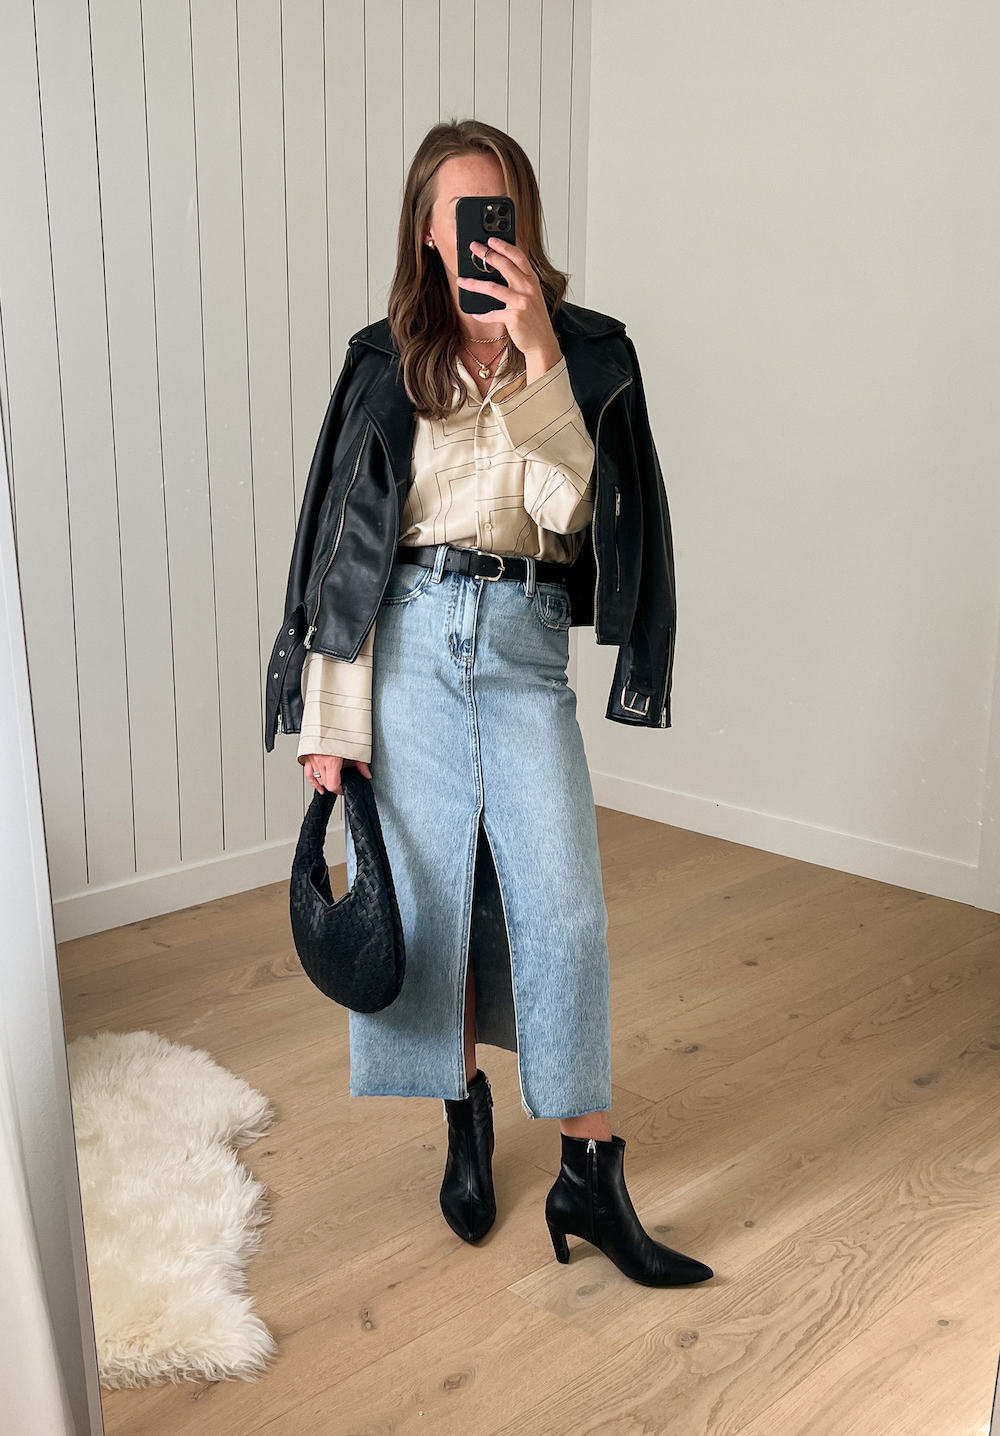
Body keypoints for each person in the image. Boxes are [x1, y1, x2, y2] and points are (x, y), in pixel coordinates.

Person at [272, 118, 712, 1287]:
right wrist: (331, 722)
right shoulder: (384, 361)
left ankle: (587, 1167)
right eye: (459, 212)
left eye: (498, 209)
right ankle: (462, 1110)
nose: (480, 232)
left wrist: (535, 357)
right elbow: (341, 554)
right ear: (426, 229)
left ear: (520, 220)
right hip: (406, 646)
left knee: (562, 912)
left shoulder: (581, 353)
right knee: (434, 912)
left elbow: (574, 512)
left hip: (519, 653)